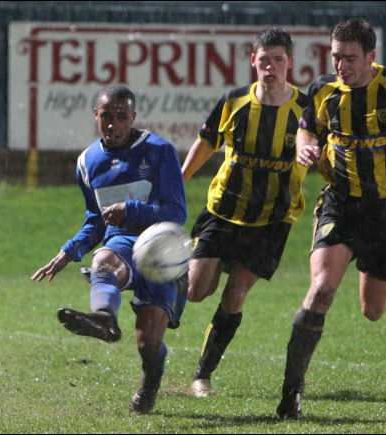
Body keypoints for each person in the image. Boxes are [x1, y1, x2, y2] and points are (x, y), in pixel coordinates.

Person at [276, 18, 386, 419]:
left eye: (350, 58)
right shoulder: (324, 90)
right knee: (321, 289)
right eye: (336, 56)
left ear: (372, 57)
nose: (342, 65)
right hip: (340, 202)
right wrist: (304, 149)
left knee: (372, 310)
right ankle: (292, 393)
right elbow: (307, 128)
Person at [31, 85, 188, 415]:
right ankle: (104, 317)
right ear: (96, 116)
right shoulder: (88, 162)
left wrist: (131, 209)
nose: (113, 124)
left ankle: (150, 382)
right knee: (103, 258)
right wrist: (68, 251)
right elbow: (96, 220)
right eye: (106, 116)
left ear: (133, 117)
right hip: (122, 243)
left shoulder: (160, 151)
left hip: (160, 248)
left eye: (121, 117)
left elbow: (176, 213)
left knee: (148, 344)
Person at [181, 27, 310, 398]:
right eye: (264, 60)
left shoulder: (305, 110)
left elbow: (322, 144)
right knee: (195, 290)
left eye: (278, 60)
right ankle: (159, 285)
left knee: (235, 294)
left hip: (272, 219)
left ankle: (201, 375)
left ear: (290, 63)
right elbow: (206, 142)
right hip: (224, 209)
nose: (270, 68)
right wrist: (179, 181)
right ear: (253, 61)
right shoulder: (234, 101)